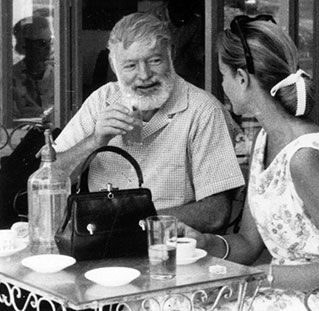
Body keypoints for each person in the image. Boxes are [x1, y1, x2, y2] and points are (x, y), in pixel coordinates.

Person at [178, 15, 319, 310]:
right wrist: (206, 244)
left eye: (223, 75)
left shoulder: (305, 158)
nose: (221, 85)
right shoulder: (262, 140)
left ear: (242, 78)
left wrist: (261, 277)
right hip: (281, 298)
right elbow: (249, 244)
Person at [53, 12, 245, 233]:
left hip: (172, 247)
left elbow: (216, 214)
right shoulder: (102, 100)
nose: (144, 75)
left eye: (154, 60)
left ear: (171, 54)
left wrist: (132, 221)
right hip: (101, 243)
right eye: (130, 65)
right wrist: (94, 141)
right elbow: (49, 178)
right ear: (113, 65)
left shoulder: (203, 110)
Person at [12, 15, 54, 123]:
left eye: (50, 42)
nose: (49, 48)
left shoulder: (58, 75)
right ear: (26, 45)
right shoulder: (12, 76)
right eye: (42, 43)